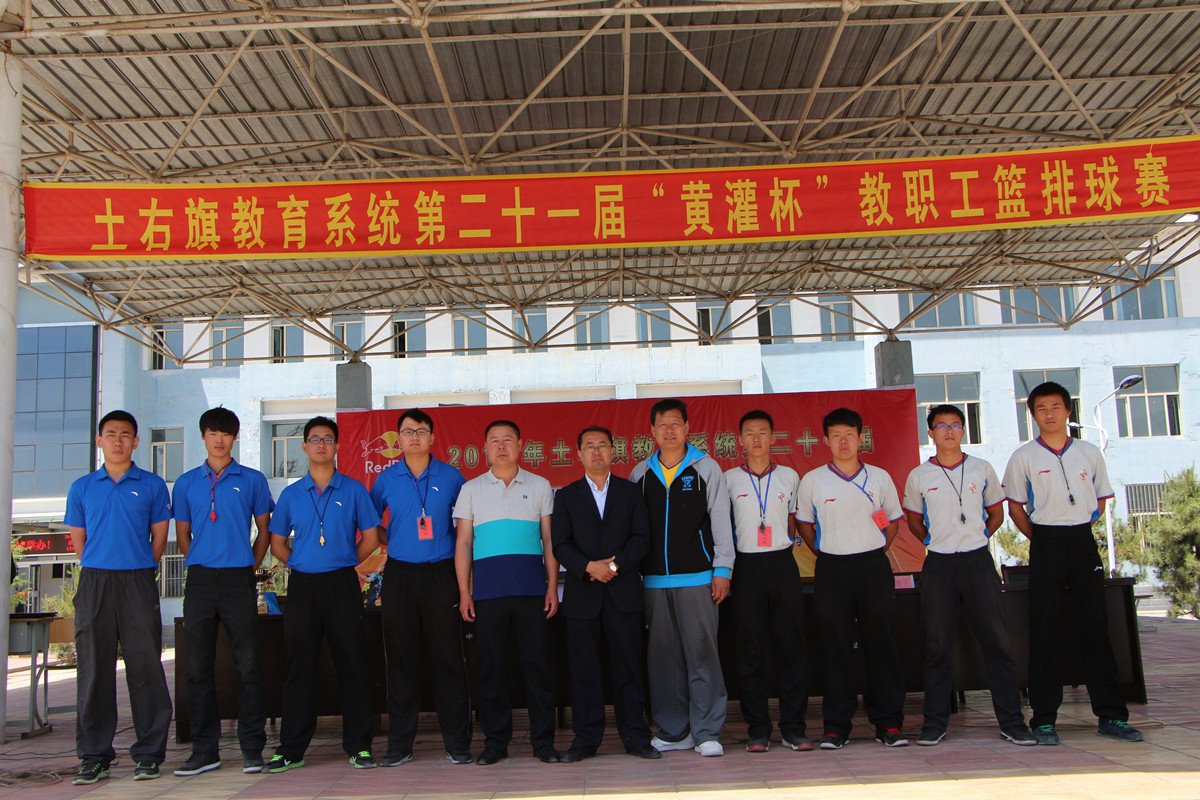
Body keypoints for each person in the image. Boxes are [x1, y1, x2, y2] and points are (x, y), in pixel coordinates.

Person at [1002, 382, 1144, 745]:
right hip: (1045, 543)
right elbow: (1015, 507)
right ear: (1032, 415)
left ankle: (1111, 715)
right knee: (1044, 630)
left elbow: (1100, 500)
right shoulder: (1023, 457)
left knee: (1095, 627)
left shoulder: (1089, 452)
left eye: (1056, 407)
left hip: (1082, 542)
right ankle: (1044, 719)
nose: (1049, 414)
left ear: (1068, 411)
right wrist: (1041, 538)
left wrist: (1077, 528)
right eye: (1041, 408)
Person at [902, 404, 1034, 747]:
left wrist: (977, 538)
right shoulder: (919, 475)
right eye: (941, 425)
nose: (949, 431)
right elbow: (914, 520)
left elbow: (996, 514)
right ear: (930, 433)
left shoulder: (981, 468)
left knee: (997, 643)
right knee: (937, 648)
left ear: (963, 430)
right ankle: (934, 724)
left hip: (977, 562)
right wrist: (934, 541)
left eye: (956, 425)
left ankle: (1012, 722)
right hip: (939, 565)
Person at [265, 416, 383, 772]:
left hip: (342, 585)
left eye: (328, 439)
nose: (321, 444)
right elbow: (277, 544)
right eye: (315, 439)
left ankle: (359, 746)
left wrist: (346, 562)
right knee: (298, 666)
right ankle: (291, 749)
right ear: (304, 447)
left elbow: (372, 538)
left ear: (337, 447)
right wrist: (302, 563)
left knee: (353, 664)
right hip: (303, 586)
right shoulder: (291, 494)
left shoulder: (354, 490)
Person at [65, 410, 173, 785]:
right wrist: (104, 564)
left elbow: (159, 539)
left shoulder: (152, 485)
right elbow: (80, 543)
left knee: (145, 667)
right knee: (94, 668)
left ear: (135, 442)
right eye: (110, 434)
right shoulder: (82, 487)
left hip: (137, 580)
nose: (118, 440)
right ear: (99, 440)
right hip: (95, 581)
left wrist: (137, 566)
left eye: (125, 434)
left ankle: (149, 754)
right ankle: (94, 756)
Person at [795, 407, 907, 750]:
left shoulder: (879, 477)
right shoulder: (813, 480)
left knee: (882, 644)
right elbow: (805, 524)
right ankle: (836, 726)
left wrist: (875, 550)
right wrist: (825, 552)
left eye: (849, 435)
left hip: (873, 566)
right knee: (835, 647)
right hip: (832, 568)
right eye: (836, 435)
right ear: (825, 440)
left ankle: (888, 722)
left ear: (861, 438)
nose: (843, 441)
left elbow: (892, 522)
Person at [629, 398, 733, 758]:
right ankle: (675, 731)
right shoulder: (640, 474)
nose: (669, 430)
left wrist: (722, 569)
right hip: (654, 582)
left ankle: (707, 732)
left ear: (688, 428)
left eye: (676, 423)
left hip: (699, 578)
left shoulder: (706, 468)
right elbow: (635, 531)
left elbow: (721, 521)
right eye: (662, 425)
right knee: (664, 660)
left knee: (702, 655)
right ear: (652, 431)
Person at [172, 407, 275, 776]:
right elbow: (183, 535)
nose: (219, 440)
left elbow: (264, 530)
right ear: (203, 436)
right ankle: (205, 750)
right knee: (198, 665)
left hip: (238, 578)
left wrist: (249, 564)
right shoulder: (186, 483)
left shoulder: (252, 480)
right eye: (213, 433)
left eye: (226, 434)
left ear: (235, 438)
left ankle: (252, 747)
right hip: (200, 579)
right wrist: (202, 559)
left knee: (248, 664)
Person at [369, 408, 473, 766]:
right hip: (399, 576)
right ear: (398, 439)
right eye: (408, 431)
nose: (415, 437)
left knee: (449, 658)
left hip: (441, 574)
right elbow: (370, 524)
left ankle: (458, 742)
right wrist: (394, 540)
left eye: (421, 431)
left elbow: (465, 528)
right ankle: (399, 745)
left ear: (432, 437)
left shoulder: (452, 477)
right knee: (400, 661)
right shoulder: (386, 479)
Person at [454, 420, 561, 766]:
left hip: (531, 592)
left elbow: (549, 540)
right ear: (485, 447)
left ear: (520, 445)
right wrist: (465, 592)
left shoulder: (540, 485)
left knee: (538, 668)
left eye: (508, 440)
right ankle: (495, 743)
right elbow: (464, 543)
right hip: (488, 595)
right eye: (494, 441)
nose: (501, 446)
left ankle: (543, 743)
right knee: (491, 670)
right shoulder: (471, 489)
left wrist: (552, 586)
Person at [551, 425, 659, 762]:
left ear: (614, 451)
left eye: (602, 445)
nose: (596, 451)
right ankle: (585, 740)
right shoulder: (566, 496)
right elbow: (560, 545)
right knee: (584, 671)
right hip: (583, 596)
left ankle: (636, 737)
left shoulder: (631, 492)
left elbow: (642, 538)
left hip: (622, 592)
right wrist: (588, 567)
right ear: (578, 454)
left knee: (628, 667)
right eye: (589, 446)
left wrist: (613, 567)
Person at [724, 410, 810, 753]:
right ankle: (758, 729)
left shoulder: (790, 476)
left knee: (792, 647)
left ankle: (794, 728)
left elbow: (795, 522)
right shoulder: (729, 479)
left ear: (773, 438)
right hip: (746, 568)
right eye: (749, 433)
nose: (756, 438)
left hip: (782, 564)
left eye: (763, 432)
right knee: (750, 650)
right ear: (740, 441)